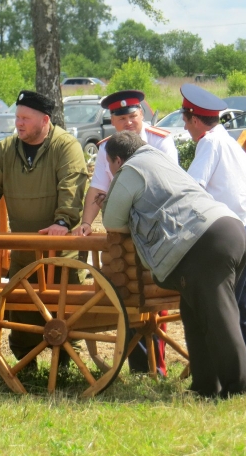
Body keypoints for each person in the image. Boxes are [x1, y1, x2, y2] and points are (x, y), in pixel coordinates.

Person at [102, 131, 246, 398]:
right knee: (194, 315)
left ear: (116, 160)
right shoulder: (160, 159)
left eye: (111, 166)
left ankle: (238, 389)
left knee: (219, 315)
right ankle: (205, 386)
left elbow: (112, 221)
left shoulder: (130, 170)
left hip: (202, 243)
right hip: (230, 229)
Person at [0, 90, 88, 367]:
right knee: (21, 313)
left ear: (45, 120)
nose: (18, 123)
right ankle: (26, 364)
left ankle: (67, 364)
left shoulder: (66, 146)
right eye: (17, 117)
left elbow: (71, 187)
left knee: (65, 314)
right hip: (23, 251)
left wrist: (62, 222)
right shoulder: (7, 148)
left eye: (25, 118)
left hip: (61, 252)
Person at [72, 89, 177, 376]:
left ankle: (158, 367)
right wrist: (86, 221)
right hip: (124, 234)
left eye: (133, 116)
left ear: (142, 114)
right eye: (122, 119)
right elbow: (98, 187)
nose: (129, 123)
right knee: (127, 292)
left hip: (156, 231)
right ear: (113, 121)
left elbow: (169, 185)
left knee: (156, 298)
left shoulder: (160, 141)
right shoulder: (108, 147)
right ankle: (140, 367)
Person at [181, 83, 246, 383]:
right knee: (244, 310)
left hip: (227, 237)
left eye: (186, 120)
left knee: (221, 313)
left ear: (196, 120)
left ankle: (220, 378)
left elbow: (193, 187)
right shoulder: (228, 141)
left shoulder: (209, 143)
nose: (186, 127)